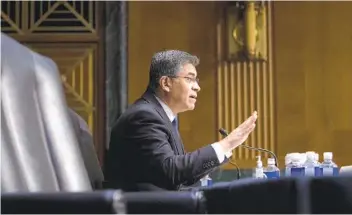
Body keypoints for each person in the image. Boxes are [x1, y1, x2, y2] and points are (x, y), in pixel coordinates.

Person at [104, 50, 257, 191]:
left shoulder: (163, 116)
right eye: (190, 79)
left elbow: (181, 177)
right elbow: (171, 171)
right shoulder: (144, 116)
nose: (197, 87)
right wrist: (226, 144)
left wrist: (226, 148)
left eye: (196, 80)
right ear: (166, 83)